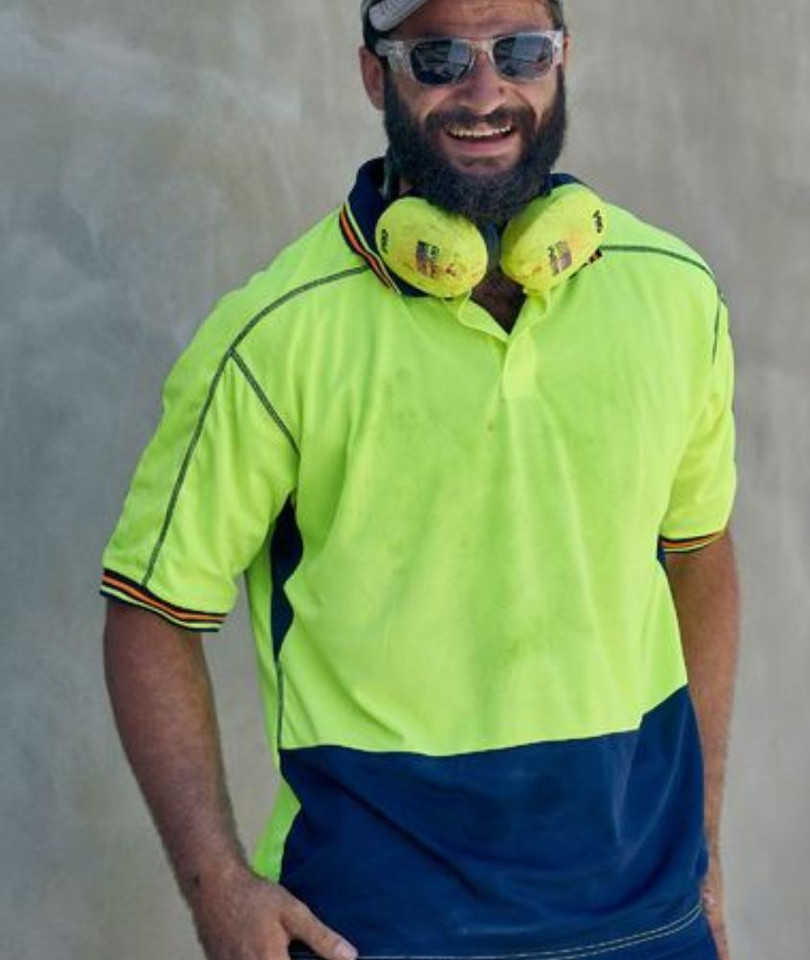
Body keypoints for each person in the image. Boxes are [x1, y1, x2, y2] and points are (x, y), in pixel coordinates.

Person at [100, 1, 741, 959]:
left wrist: (706, 848)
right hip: (377, 931)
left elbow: (698, 558)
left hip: (648, 924)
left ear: (561, 62)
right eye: (440, 56)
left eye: (520, 51)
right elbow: (149, 611)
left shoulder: (675, 294)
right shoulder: (275, 335)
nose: (486, 91)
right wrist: (220, 889)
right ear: (375, 77)